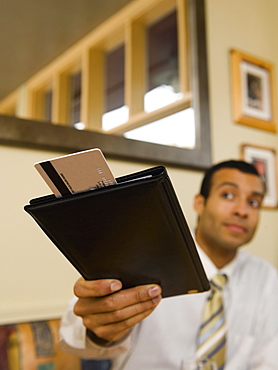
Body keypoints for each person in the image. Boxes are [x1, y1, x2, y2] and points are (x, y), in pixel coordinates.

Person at [59, 160, 278, 369]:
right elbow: (74, 337)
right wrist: (100, 330)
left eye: (253, 202)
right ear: (199, 203)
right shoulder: (141, 257)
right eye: (228, 195)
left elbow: (270, 357)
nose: (242, 211)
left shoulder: (266, 277)